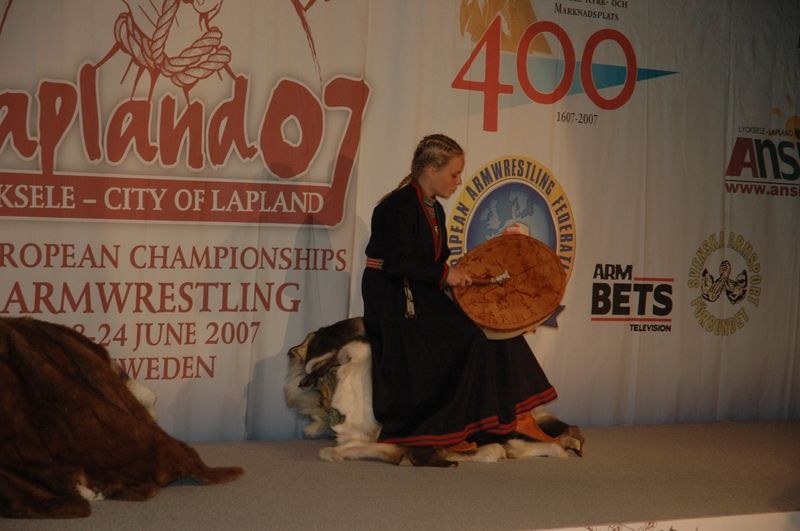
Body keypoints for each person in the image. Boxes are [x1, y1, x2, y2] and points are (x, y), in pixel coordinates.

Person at [361, 133, 558, 450]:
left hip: (423, 293)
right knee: (469, 337)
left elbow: (435, 264)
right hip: (395, 300)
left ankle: (513, 414)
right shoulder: (396, 206)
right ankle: (448, 429)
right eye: (454, 174)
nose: (458, 181)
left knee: (497, 329)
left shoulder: (435, 210)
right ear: (431, 171)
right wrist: (444, 274)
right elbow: (397, 262)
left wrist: (462, 277)